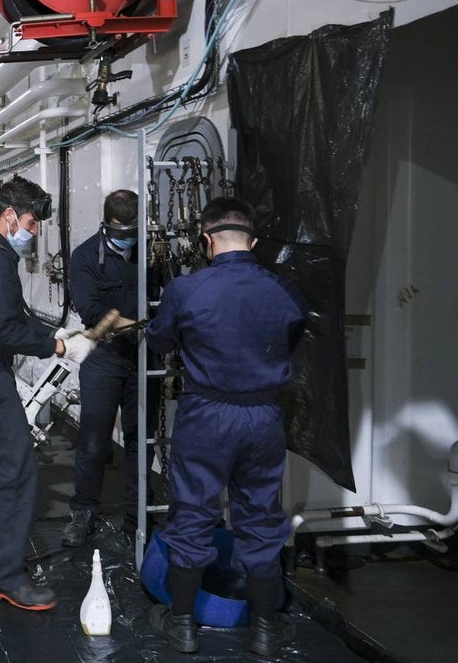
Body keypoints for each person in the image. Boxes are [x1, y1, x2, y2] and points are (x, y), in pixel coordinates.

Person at [144, 196, 308, 656]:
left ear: (206, 239)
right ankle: (265, 630)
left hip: (207, 415)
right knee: (260, 515)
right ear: (252, 242)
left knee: (193, 512)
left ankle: (182, 625)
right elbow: (292, 337)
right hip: (263, 415)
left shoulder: (186, 289)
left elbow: (159, 340)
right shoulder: (285, 289)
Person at [0, 176, 96, 611]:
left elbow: (15, 316)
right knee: (17, 473)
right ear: (10, 215)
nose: (33, 232)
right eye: (31, 223)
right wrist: (59, 348)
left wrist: (57, 333)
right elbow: (6, 330)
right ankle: (5, 576)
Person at [63, 189, 151, 548]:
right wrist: (141, 324)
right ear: (106, 224)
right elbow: (92, 311)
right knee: (94, 440)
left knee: (141, 439)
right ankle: (82, 513)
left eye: (133, 231)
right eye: (120, 231)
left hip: (144, 357)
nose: (128, 238)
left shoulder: (152, 252)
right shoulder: (85, 257)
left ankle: (137, 517)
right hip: (104, 357)